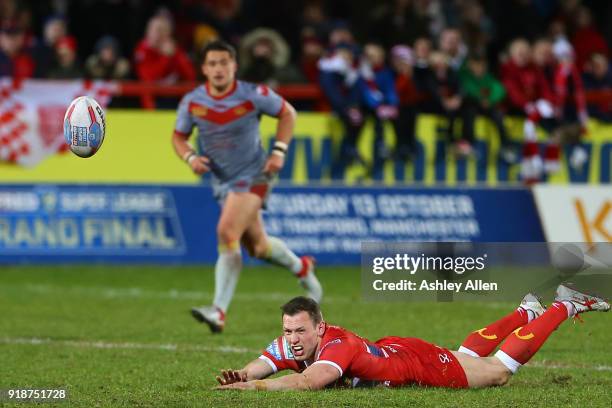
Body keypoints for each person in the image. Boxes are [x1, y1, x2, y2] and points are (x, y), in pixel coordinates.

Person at [171, 40, 322, 334]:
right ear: (204, 68)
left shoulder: (253, 94)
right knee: (258, 247)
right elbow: (178, 137)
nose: (218, 69)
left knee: (227, 232)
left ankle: (218, 311)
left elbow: (288, 113)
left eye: (224, 62)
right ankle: (302, 268)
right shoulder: (192, 101)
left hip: (256, 174)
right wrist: (190, 157)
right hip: (223, 181)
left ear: (234, 66)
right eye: (212, 63)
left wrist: (279, 151)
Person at [215, 284, 609, 391]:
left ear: (319, 327)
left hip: (412, 363)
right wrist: (244, 376)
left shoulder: (338, 344)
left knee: (497, 371)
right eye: (288, 331)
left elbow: (307, 381)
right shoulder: (290, 342)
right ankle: (525, 313)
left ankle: (565, 306)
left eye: (301, 330)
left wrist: (257, 392)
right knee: (462, 353)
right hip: (396, 348)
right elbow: (260, 365)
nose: (293, 339)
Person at [459, 53, 515, 163]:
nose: (479, 68)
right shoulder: (465, 76)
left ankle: (505, 146)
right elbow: (468, 87)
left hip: (487, 106)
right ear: (470, 65)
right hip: (472, 105)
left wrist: (490, 100)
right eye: (476, 65)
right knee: (468, 115)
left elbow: (500, 90)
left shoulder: (488, 78)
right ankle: (467, 144)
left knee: (499, 117)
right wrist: (481, 98)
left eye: (482, 65)